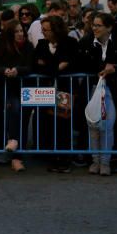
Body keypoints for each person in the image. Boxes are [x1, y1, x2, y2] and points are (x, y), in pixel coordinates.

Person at [77, 13, 117, 176]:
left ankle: (105, 162)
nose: (94, 28)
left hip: (114, 90)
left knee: (107, 126)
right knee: (93, 125)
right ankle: (95, 160)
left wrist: (116, 68)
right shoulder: (86, 42)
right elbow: (81, 64)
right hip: (93, 87)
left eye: (98, 25)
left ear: (109, 27)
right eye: (93, 25)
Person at [32, 15, 80, 173]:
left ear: (56, 30)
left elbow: (67, 64)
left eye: (46, 30)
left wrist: (49, 66)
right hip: (45, 91)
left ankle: (64, 158)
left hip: (63, 90)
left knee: (62, 124)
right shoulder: (41, 44)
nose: (43, 32)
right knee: (47, 123)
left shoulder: (70, 43)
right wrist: (55, 67)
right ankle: (51, 157)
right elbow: (37, 66)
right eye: (42, 29)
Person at [0, 20, 33, 172]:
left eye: (21, 30)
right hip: (6, 88)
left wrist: (17, 70)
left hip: (24, 89)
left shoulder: (28, 47)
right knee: (9, 115)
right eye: (16, 31)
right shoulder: (1, 46)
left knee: (22, 119)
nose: (20, 34)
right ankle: (10, 149)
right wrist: (4, 71)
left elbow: (30, 66)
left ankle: (17, 155)